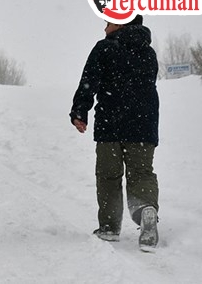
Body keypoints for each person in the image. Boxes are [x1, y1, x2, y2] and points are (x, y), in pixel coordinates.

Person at [69, 15, 160, 251]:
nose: (105, 27)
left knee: (109, 175)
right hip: (144, 124)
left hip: (111, 122)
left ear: (121, 23)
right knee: (141, 173)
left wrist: (80, 111)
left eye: (108, 22)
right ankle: (146, 211)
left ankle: (109, 227)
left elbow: (89, 81)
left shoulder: (105, 48)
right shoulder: (148, 52)